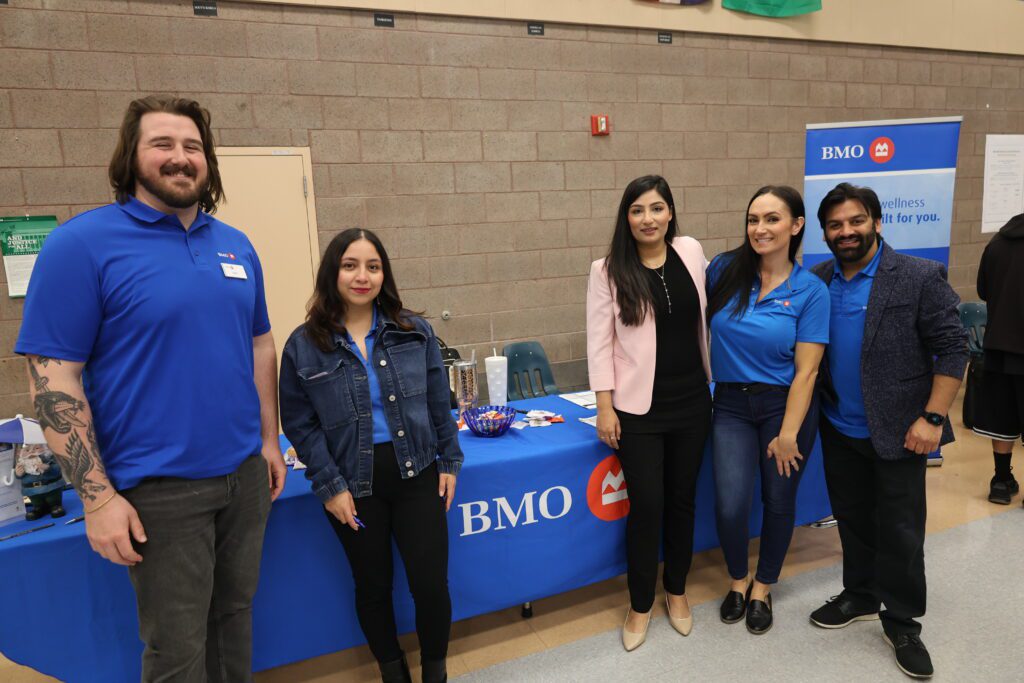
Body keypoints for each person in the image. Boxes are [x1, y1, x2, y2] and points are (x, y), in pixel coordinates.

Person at [15, 95, 287, 682]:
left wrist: (270, 440)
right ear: (131, 156)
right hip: (158, 490)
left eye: (192, 146)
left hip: (243, 476)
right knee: (177, 649)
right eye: (162, 144)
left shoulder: (236, 245)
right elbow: (51, 375)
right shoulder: (81, 246)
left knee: (234, 619)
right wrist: (96, 498)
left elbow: (261, 343)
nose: (180, 157)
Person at [278, 228, 462, 683]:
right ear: (332, 273)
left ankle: (434, 673)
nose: (363, 276)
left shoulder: (413, 331)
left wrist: (450, 461)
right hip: (352, 488)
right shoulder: (303, 346)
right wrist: (329, 486)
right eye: (350, 265)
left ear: (385, 274)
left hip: (417, 473)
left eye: (373, 266)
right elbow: (300, 425)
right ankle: (393, 672)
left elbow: (441, 401)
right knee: (373, 589)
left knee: (430, 586)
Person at [808, 183, 968, 679]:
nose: (845, 232)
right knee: (853, 519)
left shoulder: (918, 276)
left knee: (900, 529)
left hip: (904, 430)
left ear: (877, 222)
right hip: (839, 427)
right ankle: (860, 593)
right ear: (825, 233)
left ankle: (901, 621)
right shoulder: (818, 280)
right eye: (835, 225)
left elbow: (954, 348)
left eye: (855, 221)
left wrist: (934, 418)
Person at [587, 175, 713, 651]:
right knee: (648, 508)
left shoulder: (690, 250)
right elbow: (599, 344)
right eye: (637, 210)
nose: (648, 219)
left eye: (657, 208)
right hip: (638, 410)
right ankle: (640, 603)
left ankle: (676, 591)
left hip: (694, 401)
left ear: (670, 213)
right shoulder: (607, 270)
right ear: (626, 218)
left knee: (682, 502)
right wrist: (604, 407)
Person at [706, 185, 829, 635]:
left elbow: (808, 371)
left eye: (772, 219)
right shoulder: (723, 271)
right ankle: (737, 579)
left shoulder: (811, 290)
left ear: (796, 225)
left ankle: (763, 586)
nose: (760, 228)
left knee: (778, 501)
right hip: (732, 403)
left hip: (785, 405)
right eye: (753, 219)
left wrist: (789, 432)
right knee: (730, 502)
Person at [971, 212, 1024, 505]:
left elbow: (983, 290)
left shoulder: (997, 243)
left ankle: (1001, 482)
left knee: (1001, 418)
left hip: (999, 344)